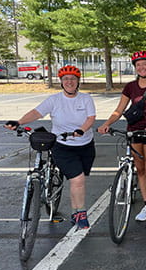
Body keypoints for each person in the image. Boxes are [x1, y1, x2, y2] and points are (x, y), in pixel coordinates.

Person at [5, 65, 96, 230]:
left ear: (78, 82)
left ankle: (76, 211)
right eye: (66, 79)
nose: (69, 82)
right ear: (61, 82)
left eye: (73, 79)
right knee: (78, 180)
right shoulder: (54, 100)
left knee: (77, 181)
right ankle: (81, 214)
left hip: (85, 145)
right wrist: (19, 122)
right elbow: (36, 113)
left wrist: (82, 130)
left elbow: (91, 118)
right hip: (62, 145)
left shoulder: (86, 99)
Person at [98, 51, 146, 231]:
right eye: (138, 65)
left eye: (145, 64)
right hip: (134, 132)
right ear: (135, 67)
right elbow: (119, 110)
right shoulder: (130, 87)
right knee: (141, 170)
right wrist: (106, 124)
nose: (142, 67)